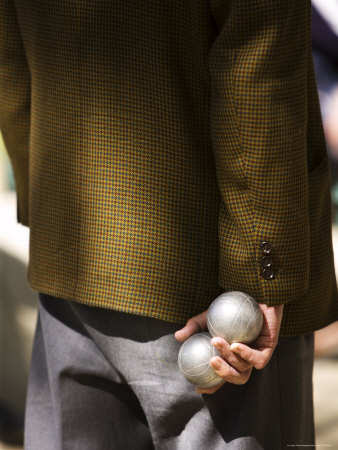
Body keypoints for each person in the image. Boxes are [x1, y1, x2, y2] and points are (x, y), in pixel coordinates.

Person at [1, 0, 337, 448]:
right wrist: (260, 273)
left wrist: (49, 215)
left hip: (71, 244)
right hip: (206, 276)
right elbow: (259, 63)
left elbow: (9, 48)